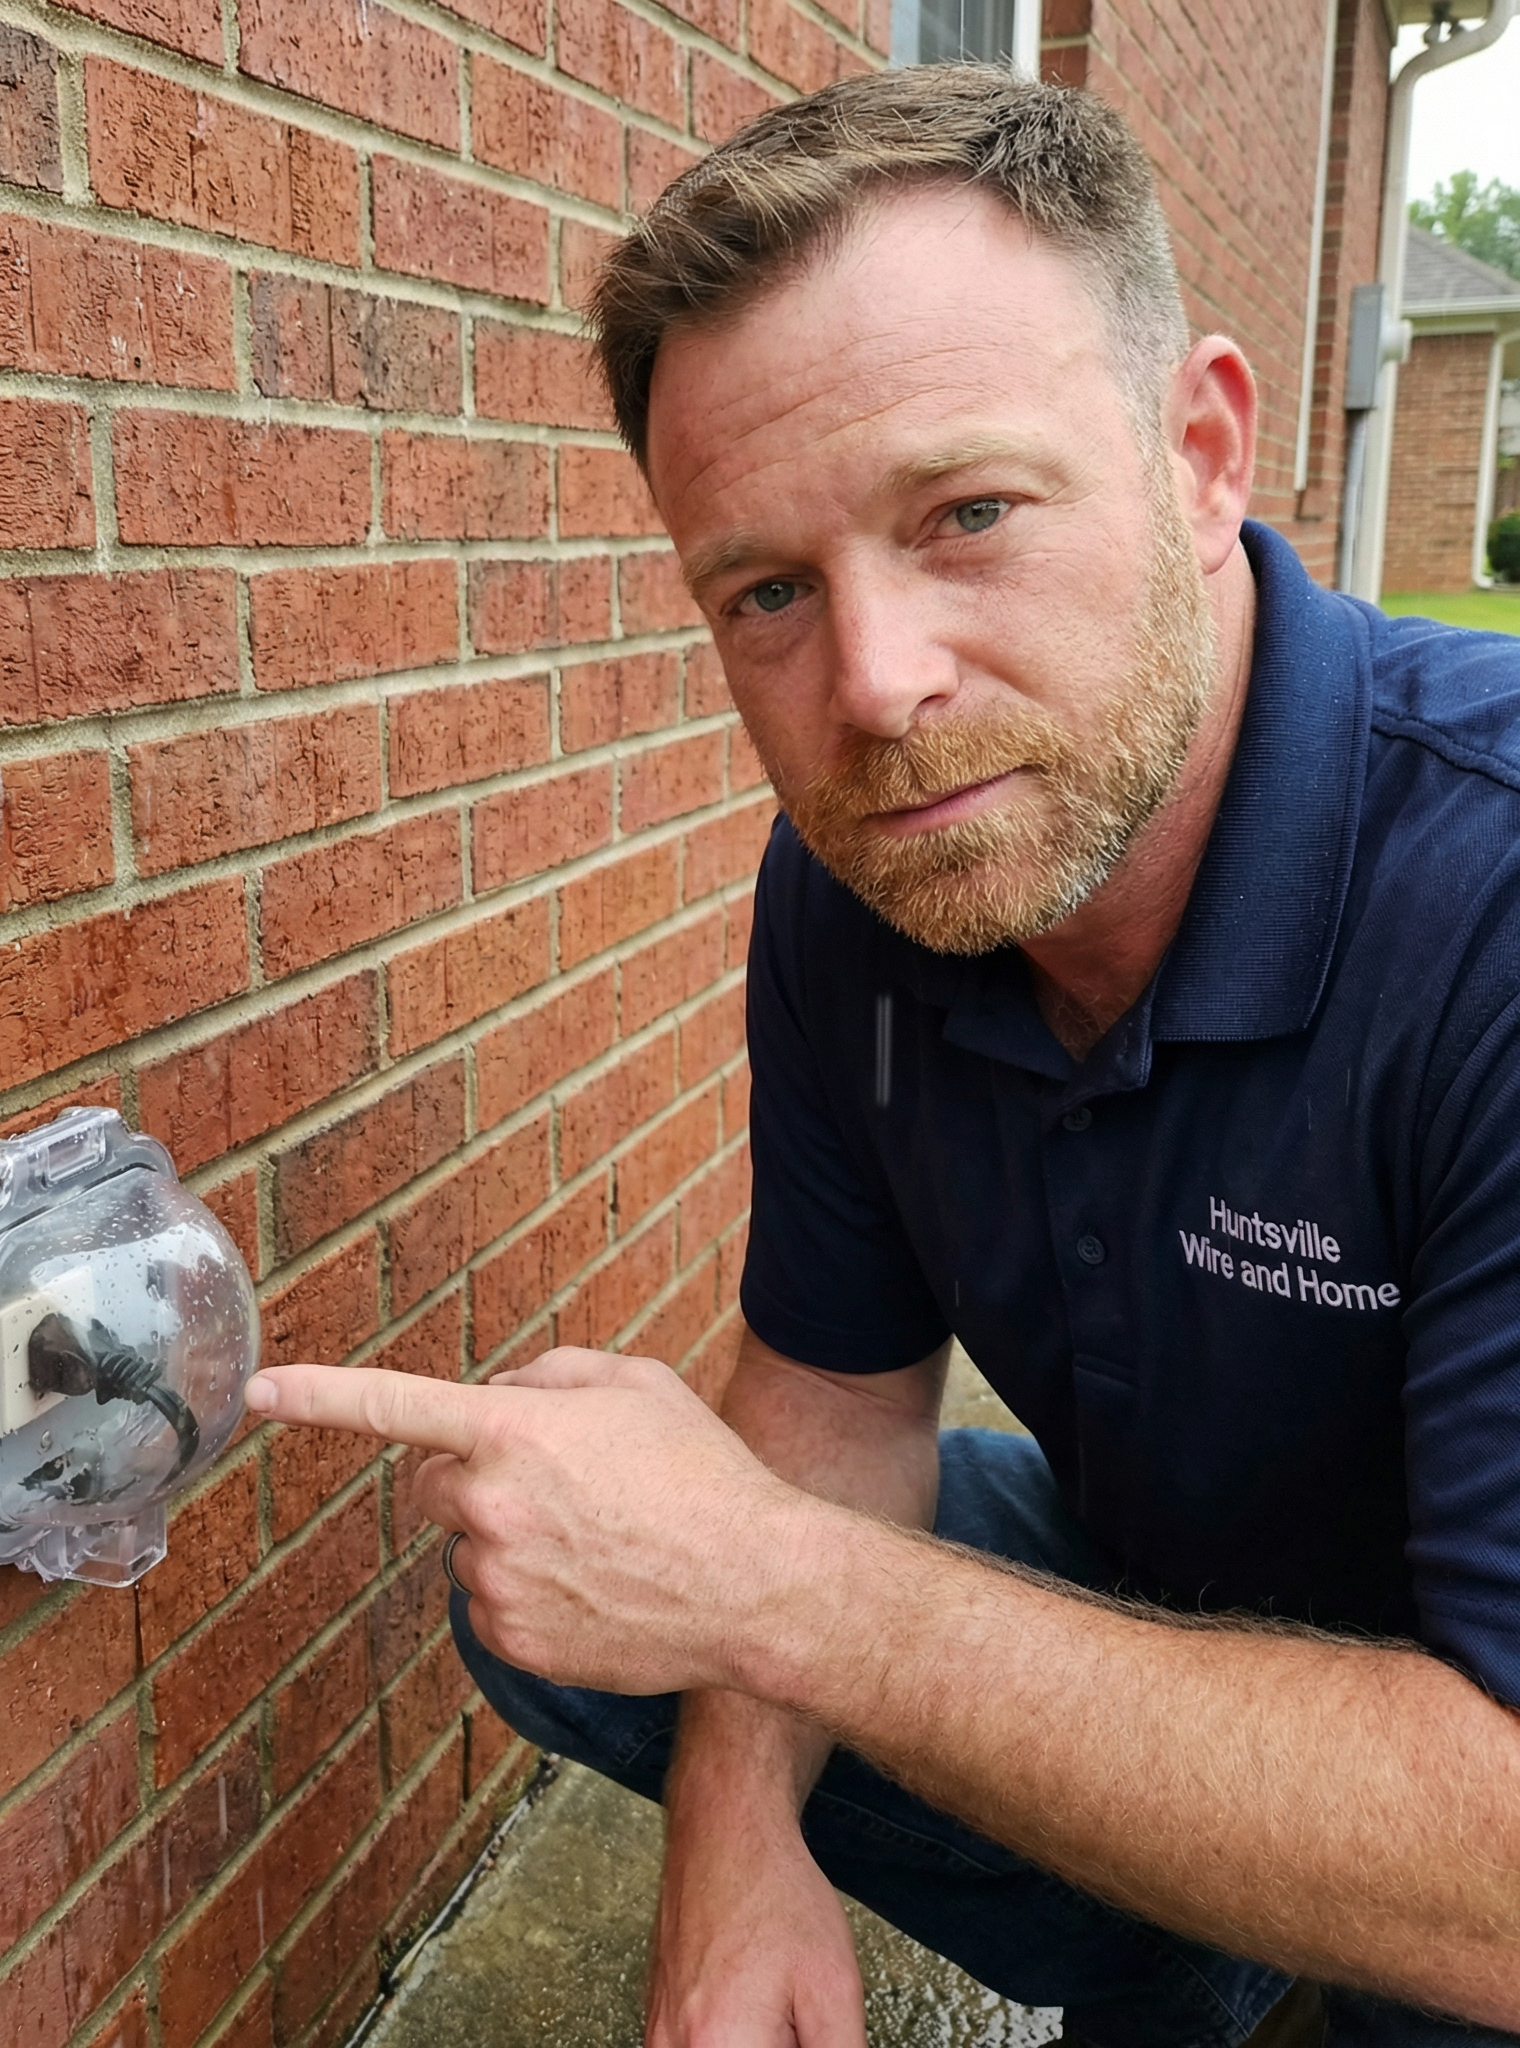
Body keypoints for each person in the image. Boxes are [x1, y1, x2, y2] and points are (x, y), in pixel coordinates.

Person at [243, 67, 1520, 2047]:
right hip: (1207, 1584)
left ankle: (1317, 1943)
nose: (873, 687)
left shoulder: (1490, 890)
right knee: (569, 1585)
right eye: (764, 589)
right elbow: (836, 1396)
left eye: (968, 514)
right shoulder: (860, 887)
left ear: (1201, 451)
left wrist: (772, 1585)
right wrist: (728, 1849)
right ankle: (1213, 1950)